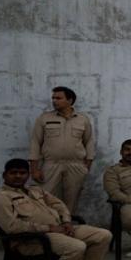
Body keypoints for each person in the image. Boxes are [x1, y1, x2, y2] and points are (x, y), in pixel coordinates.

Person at [0, 159, 111, 260]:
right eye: (13, 173)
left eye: (22, 173)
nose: (18, 176)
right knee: (76, 247)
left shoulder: (35, 190)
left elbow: (59, 204)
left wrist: (66, 221)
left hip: (59, 230)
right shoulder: (0, 198)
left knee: (103, 235)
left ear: (28, 175)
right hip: (32, 240)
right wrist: (49, 228)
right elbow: (12, 227)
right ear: (4, 175)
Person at [29, 86, 95, 214]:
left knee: (72, 200)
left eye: (58, 98)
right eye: (53, 98)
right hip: (51, 164)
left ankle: (67, 228)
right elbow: (35, 143)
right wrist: (34, 169)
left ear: (70, 100)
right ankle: (50, 228)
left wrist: (86, 166)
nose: (54, 101)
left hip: (76, 166)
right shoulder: (44, 118)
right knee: (46, 197)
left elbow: (89, 142)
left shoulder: (82, 119)